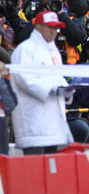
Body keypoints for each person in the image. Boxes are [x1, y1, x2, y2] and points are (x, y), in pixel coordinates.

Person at [10, 11, 75, 155]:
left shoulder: (54, 51)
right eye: (49, 27)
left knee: (50, 169)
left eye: (56, 28)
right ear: (38, 27)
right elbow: (24, 79)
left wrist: (67, 88)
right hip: (34, 120)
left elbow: (58, 77)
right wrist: (52, 89)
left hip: (53, 122)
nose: (53, 32)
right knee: (35, 169)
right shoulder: (25, 49)